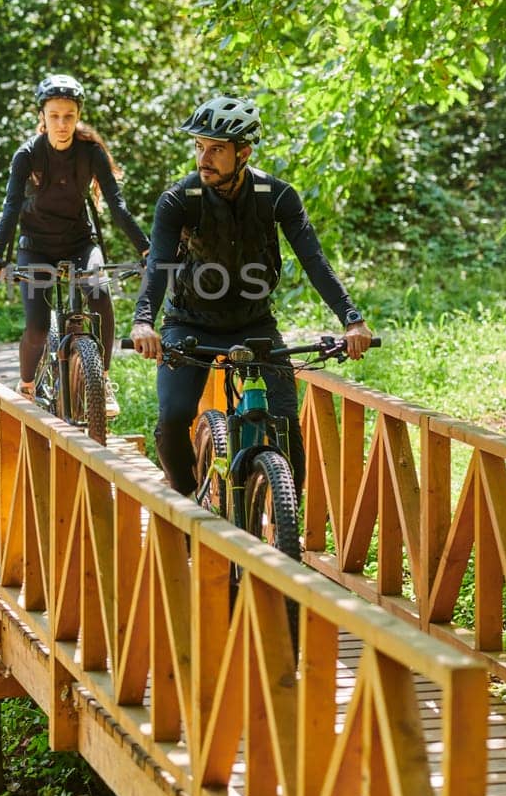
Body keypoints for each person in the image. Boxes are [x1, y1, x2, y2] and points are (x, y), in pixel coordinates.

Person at [129, 95, 373, 496]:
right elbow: (159, 266)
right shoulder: (178, 200)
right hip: (190, 324)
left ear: (243, 153)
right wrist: (143, 321)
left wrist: (352, 319)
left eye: (216, 150)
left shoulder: (275, 196)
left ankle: (283, 527)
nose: (203, 158)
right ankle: (188, 501)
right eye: (199, 147)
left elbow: (313, 259)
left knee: (285, 427)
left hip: (254, 324)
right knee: (173, 417)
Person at [0, 74, 151, 415]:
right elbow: (11, 206)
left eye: (69, 116)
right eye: (55, 115)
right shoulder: (27, 155)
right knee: (38, 326)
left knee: (100, 294)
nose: (62, 124)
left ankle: (101, 379)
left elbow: (117, 205)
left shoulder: (90, 154)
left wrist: (147, 248)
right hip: (36, 247)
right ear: (42, 116)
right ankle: (27, 385)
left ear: (78, 116)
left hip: (79, 242)